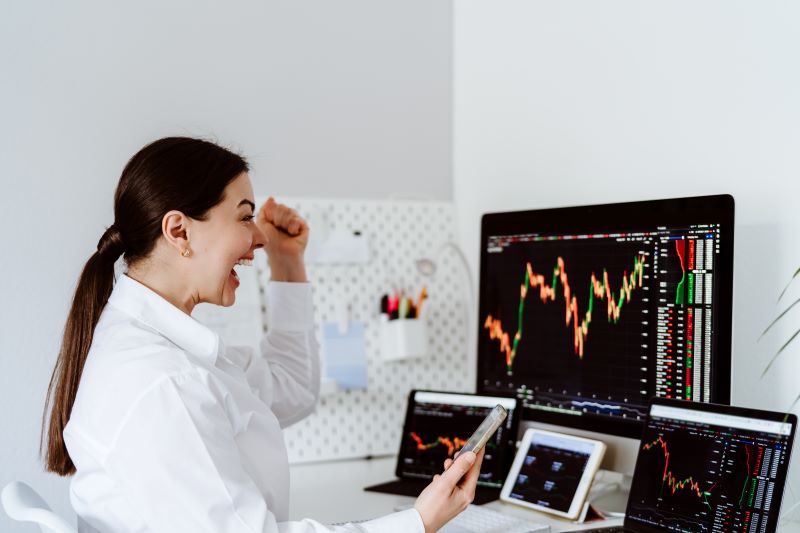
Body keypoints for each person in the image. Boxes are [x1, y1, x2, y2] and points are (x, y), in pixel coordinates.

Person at [42, 137, 484, 533]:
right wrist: (417, 522)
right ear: (179, 231)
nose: (258, 238)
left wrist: (288, 264)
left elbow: (290, 389)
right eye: (244, 217)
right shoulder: (166, 383)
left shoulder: (156, 345)